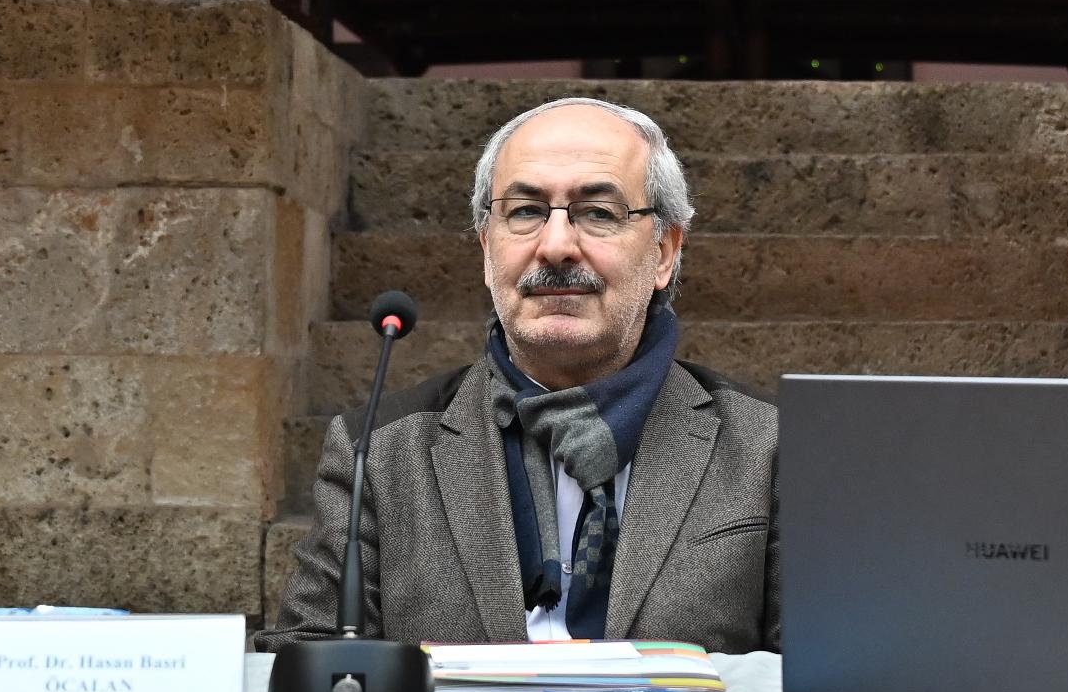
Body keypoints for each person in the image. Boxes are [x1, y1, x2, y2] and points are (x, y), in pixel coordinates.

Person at [280, 96, 779, 650]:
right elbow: (306, 658)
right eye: (525, 212)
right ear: (486, 247)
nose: (557, 246)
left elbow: (820, 668)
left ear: (664, 252)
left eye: (598, 213)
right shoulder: (379, 450)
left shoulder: (769, 447)